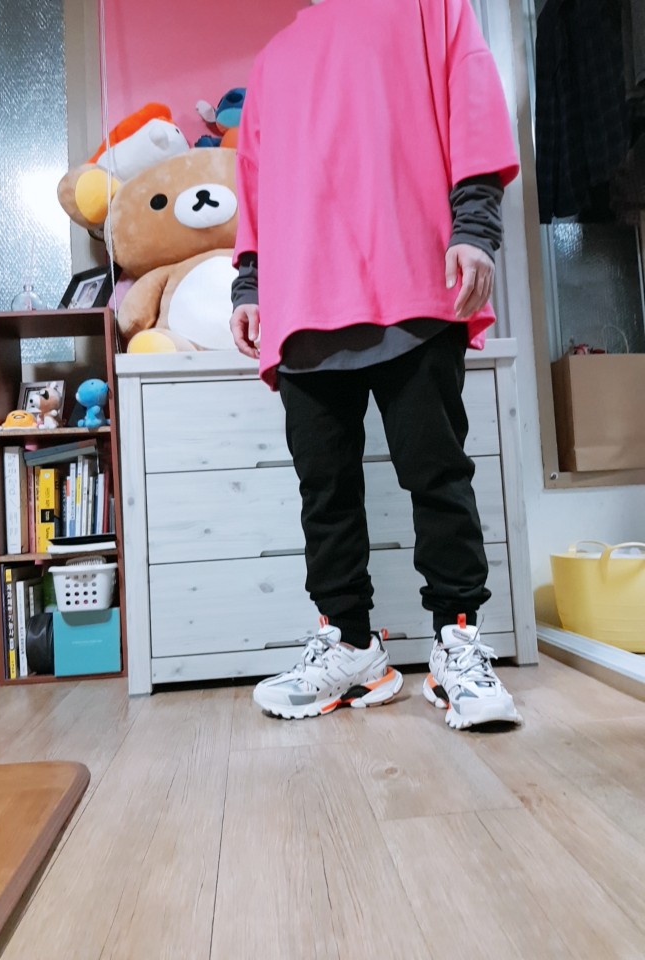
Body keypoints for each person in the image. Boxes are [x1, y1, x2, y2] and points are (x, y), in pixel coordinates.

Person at [229, 0, 523, 730]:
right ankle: (353, 648)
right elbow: (257, 178)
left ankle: (457, 645)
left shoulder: (434, 7)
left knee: (437, 474)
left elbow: (473, 112)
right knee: (324, 491)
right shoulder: (272, 60)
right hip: (302, 297)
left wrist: (475, 227)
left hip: (411, 280)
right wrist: (250, 284)